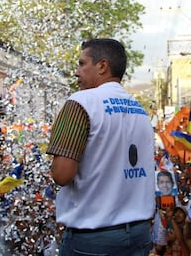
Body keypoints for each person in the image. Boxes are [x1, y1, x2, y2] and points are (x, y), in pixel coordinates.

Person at [46, 38, 155, 255]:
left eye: (81, 63)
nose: (77, 72)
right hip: (140, 235)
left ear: (102, 66)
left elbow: (62, 175)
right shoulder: (140, 110)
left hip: (94, 239)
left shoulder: (81, 103)